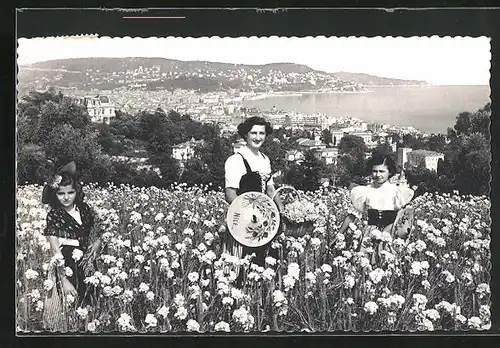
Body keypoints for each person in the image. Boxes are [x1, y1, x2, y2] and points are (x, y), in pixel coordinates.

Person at [223, 116, 285, 282]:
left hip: (265, 222)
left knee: (265, 264)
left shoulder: (265, 160)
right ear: (246, 135)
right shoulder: (236, 160)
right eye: (254, 133)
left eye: (262, 133)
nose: (258, 137)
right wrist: (248, 215)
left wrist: (280, 210)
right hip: (244, 221)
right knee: (242, 265)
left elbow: (270, 188)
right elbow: (230, 194)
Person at [41, 161, 102, 318]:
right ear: (55, 195)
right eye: (61, 194)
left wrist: (96, 245)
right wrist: (63, 279)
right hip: (66, 263)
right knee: (70, 304)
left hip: (87, 260)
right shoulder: (54, 215)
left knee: (91, 303)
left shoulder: (85, 209)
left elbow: (96, 233)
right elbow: (55, 250)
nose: (66, 198)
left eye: (71, 192)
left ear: (77, 192)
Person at [337, 154, 414, 264]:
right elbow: (353, 215)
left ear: (390, 172)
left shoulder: (397, 192)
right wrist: (339, 234)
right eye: (375, 171)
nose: (378, 175)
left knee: (387, 265)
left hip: (390, 234)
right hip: (369, 234)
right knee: (365, 264)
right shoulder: (364, 191)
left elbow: (404, 218)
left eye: (382, 171)